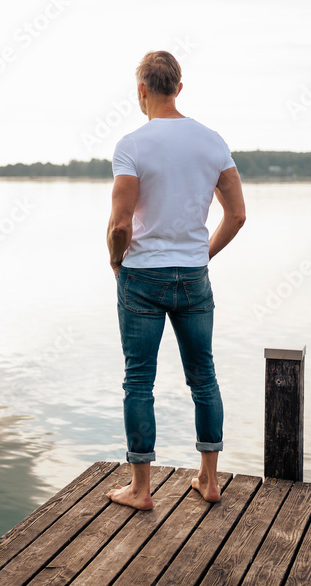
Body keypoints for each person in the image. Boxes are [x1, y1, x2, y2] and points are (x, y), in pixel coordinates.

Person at [105, 50, 246, 510]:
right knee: (203, 376)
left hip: (142, 277)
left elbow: (121, 225)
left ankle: (141, 489)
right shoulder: (212, 141)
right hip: (193, 277)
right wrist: (199, 255)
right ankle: (208, 481)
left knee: (139, 381)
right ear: (179, 88)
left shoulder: (132, 145)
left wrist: (115, 261)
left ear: (141, 90)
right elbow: (237, 215)